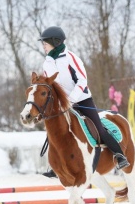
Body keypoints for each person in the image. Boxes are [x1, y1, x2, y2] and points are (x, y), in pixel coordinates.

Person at [39, 26, 129, 178]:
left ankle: (120, 156)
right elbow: (50, 86)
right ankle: (55, 165)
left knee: (99, 129)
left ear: (55, 42)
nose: (43, 46)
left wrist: (71, 100)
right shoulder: (46, 64)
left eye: (45, 43)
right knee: (54, 132)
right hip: (62, 105)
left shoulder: (71, 58)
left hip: (82, 100)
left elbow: (82, 81)